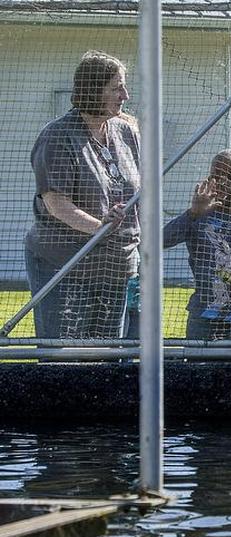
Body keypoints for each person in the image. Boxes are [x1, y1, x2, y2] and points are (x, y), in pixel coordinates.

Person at [27, 50, 140, 339]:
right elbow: (56, 203)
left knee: (108, 358)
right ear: (92, 89)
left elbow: (139, 191)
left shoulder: (126, 132)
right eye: (116, 88)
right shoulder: (58, 135)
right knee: (65, 356)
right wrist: (100, 227)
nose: (125, 95)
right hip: (65, 267)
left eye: (124, 87)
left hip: (116, 268)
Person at [163, 150, 231, 340]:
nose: (223, 182)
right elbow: (160, 241)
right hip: (203, 321)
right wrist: (193, 213)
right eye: (216, 176)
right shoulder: (198, 219)